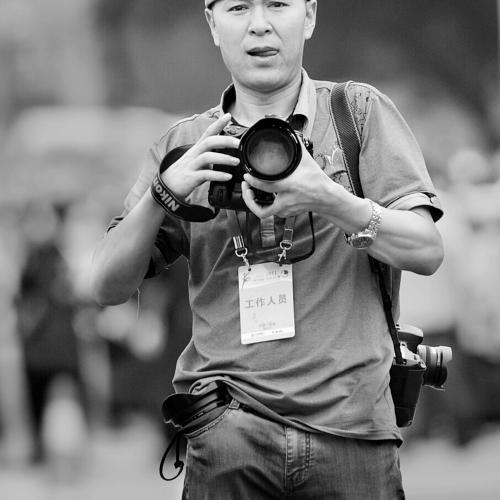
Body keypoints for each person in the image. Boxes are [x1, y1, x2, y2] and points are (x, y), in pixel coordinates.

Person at [90, 1, 444, 498]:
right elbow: (106, 287)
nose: (259, 24)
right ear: (213, 23)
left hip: (352, 432)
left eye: (277, 4)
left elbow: (427, 250)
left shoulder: (358, 116)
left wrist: (329, 198)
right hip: (228, 432)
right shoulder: (186, 144)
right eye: (238, 7)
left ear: (310, 15)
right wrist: (162, 194)